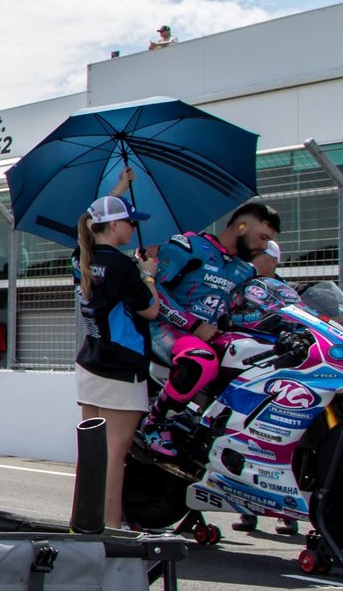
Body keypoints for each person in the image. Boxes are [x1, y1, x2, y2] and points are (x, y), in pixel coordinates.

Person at [144, 200, 281, 455]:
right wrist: (194, 325)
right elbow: (154, 293)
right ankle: (156, 422)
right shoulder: (189, 246)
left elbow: (276, 302)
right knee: (201, 360)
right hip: (168, 330)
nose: (264, 246)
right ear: (241, 226)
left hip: (209, 337)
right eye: (262, 237)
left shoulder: (244, 269)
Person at [73, 194, 161, 530]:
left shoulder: (80, 255)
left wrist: (120, 187)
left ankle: (83, 521)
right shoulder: (122, 266)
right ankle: (109, 526)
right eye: (129, 221)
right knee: (113, 456)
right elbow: (150, 310)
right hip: (121, 369)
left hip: (91, 363)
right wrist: (148, 274)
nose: (132, 227)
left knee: (92, 454)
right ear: (113, 226)